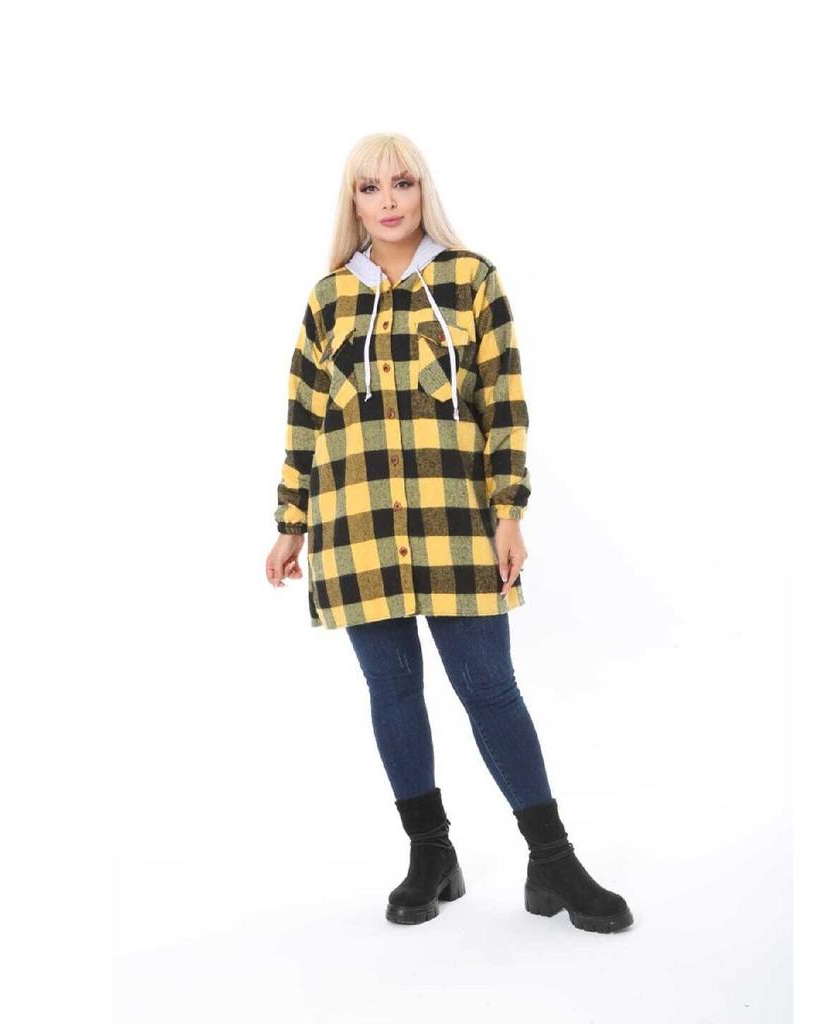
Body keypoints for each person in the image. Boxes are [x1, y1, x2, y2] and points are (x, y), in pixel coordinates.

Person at [265, 132, 633, 933]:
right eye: (370, 188)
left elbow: (505, 403)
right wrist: (292, 523)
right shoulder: (329, 298)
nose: (388, 201)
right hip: (356, 525)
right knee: (392, 691)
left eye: (401, 183)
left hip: (456, 523)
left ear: (422, 189)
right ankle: (430, 853)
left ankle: (552, 860)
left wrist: (509, 512)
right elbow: (303, 416)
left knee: (489, 687)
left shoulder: (471, 280)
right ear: (352, 201)